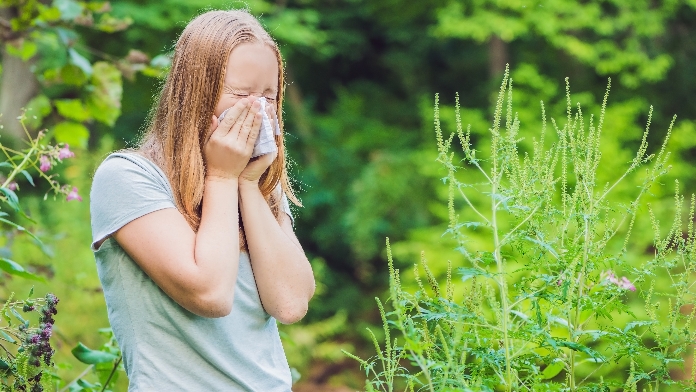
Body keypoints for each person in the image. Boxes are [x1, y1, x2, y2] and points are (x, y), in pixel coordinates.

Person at [89, 10, 315, 391]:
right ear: (195, 90)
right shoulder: (128, 178)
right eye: (242, 94)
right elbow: (209, 294)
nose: (257, 109)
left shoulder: (258, 182)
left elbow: (291, 303)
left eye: (269, 96)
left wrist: (245, 183)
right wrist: (222, 177)